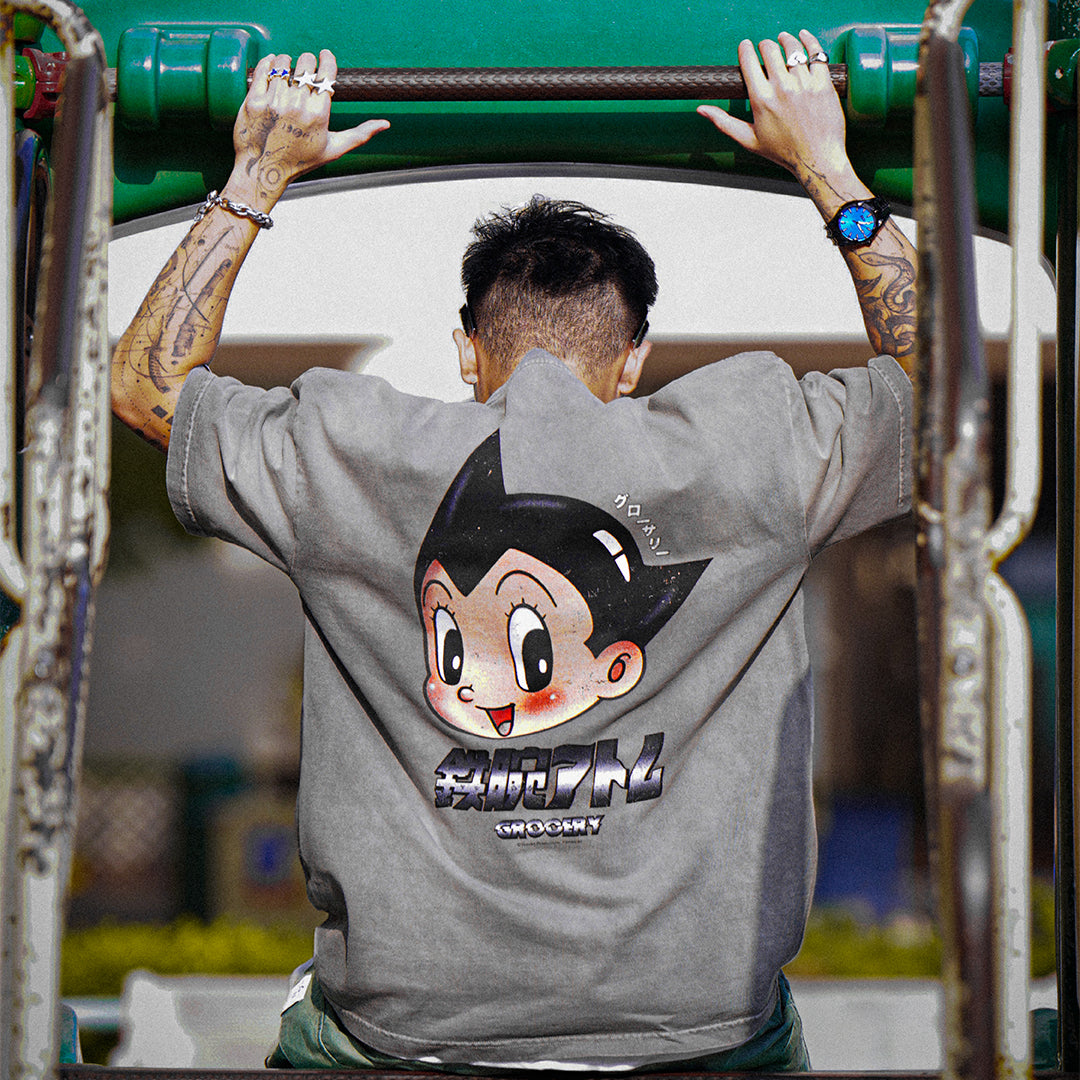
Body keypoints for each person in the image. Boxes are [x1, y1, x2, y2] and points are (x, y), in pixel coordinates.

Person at [112, 29, 916, 1073]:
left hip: (408, 1034)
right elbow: (943, 390)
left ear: (466, 351)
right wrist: (829, 169)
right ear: (632, 361)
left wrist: (254, 179)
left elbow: (145, 387)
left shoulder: (353, 451)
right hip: (699, 1029)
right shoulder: (753, 446)